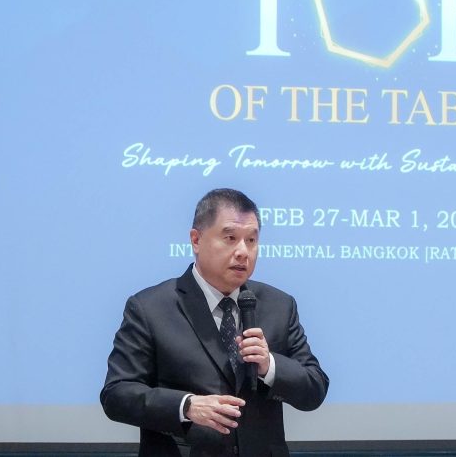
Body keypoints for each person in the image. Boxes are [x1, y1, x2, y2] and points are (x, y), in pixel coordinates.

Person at [101, 188, 329, 456]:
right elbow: (117, 394)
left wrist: (270, 366)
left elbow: (315, 389)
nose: (243, 252)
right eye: (230, 238)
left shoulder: (279, 305)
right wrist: (186, 406)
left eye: (251, 240)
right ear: (196, 240)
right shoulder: (150, 308)